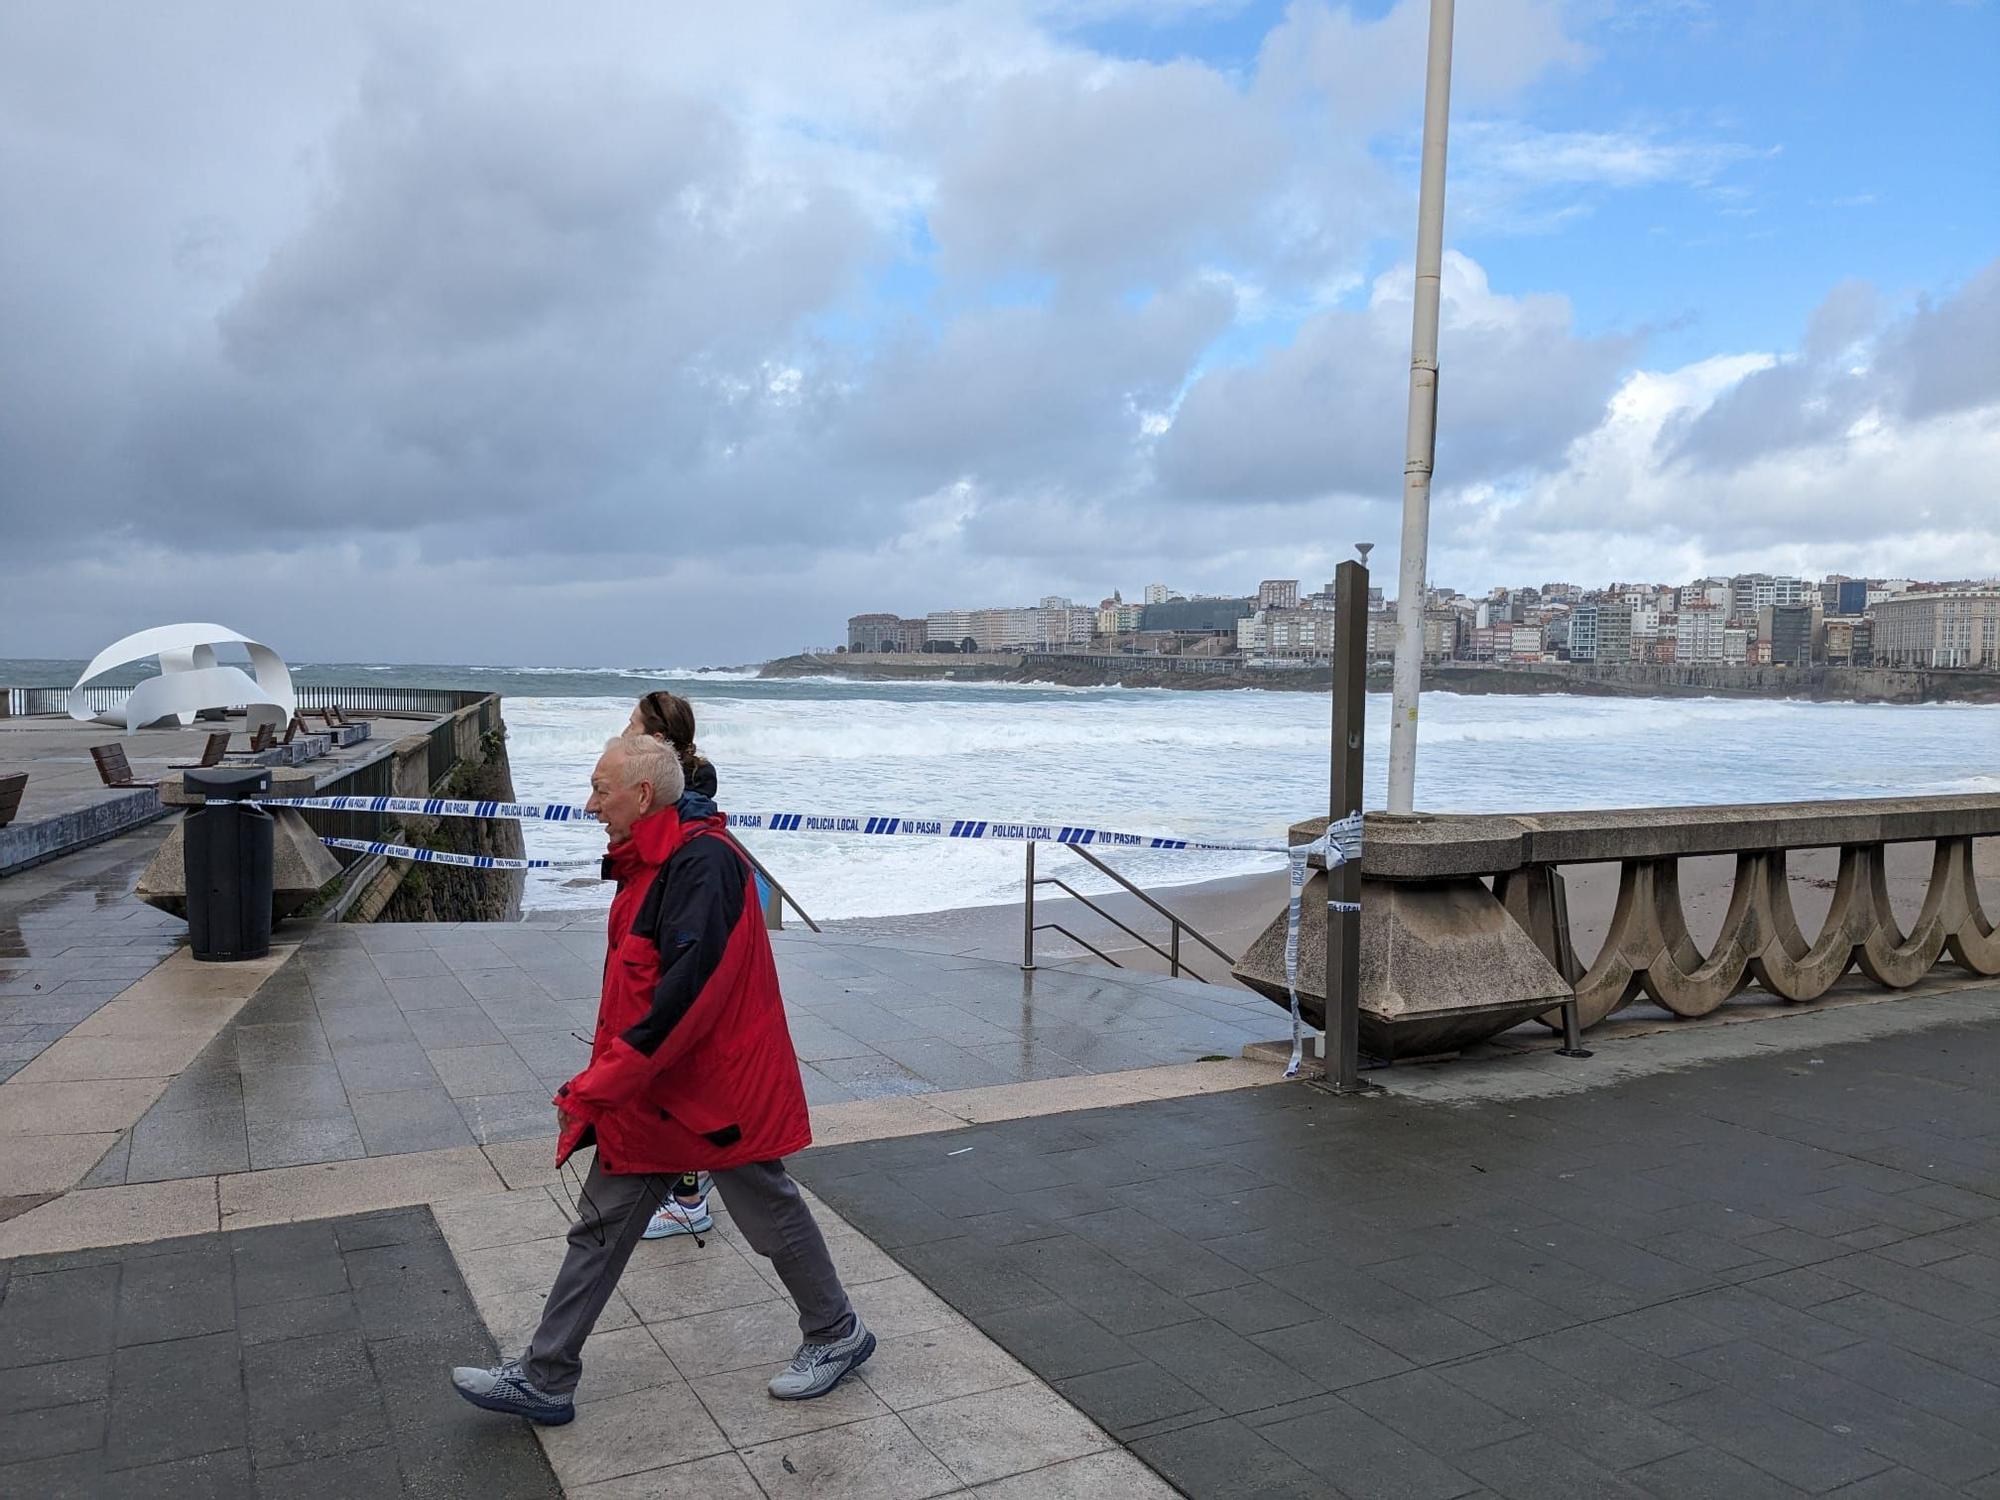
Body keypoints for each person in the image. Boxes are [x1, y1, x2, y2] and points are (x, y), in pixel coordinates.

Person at [451, 734, 872, 1424]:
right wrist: (614, 1079)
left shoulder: (702, 865)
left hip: (712, 1095)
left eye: (600, 790)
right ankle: (546, 1375)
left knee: (771, 1214)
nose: (590, 806)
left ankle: (837, 1334)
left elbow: (685, 1000)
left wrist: (595, 1087)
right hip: (655, 1091)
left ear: (642, 795)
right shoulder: (652, 860)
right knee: (598, 1228)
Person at [628, 690, 721, 1239]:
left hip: (673, 944)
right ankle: (689, 1181)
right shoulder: (685, 796)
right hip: (665, 937)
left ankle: (688, 1195)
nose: (624, 731)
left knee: (675, 1067)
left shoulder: (682, 813)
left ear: (658, 739)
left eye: (633, 724)